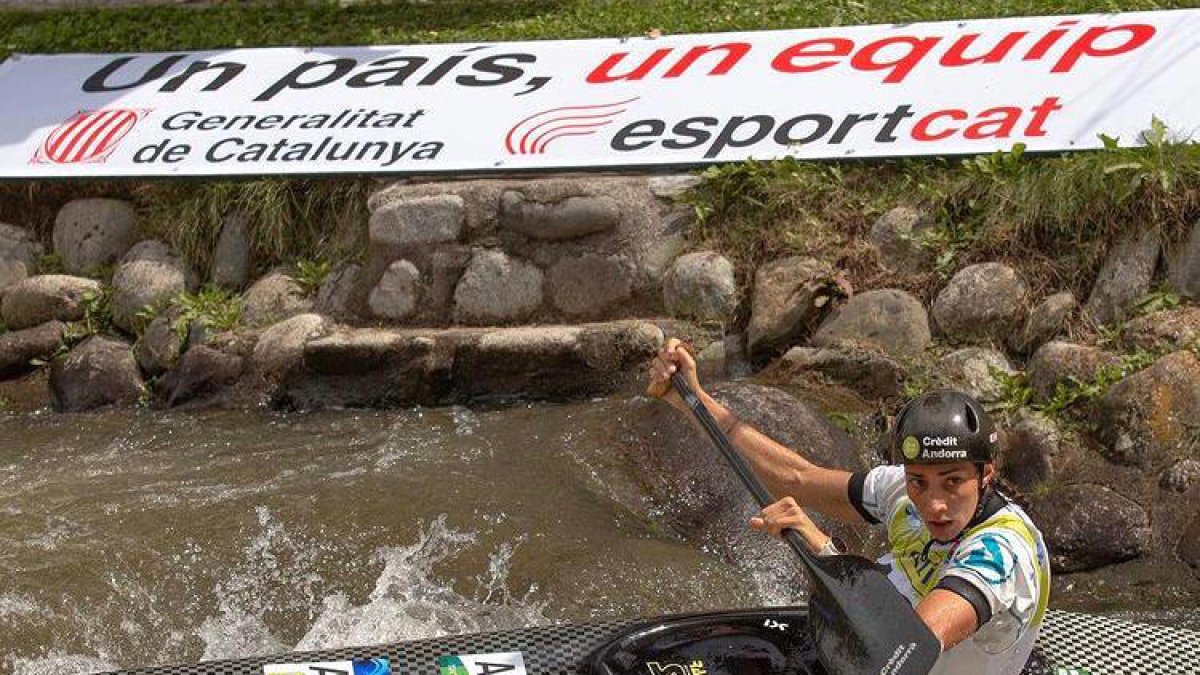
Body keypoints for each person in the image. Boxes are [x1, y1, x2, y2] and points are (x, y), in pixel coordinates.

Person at [648, 338, 1051, 675]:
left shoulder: (1001, 554)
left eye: (953, 482)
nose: (934, 504)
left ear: (986, 474)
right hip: (870, 638)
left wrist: (824, 550)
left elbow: (906, 652)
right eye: (919, 481)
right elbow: (796, 477)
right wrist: (692, 399)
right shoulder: (901, 490)